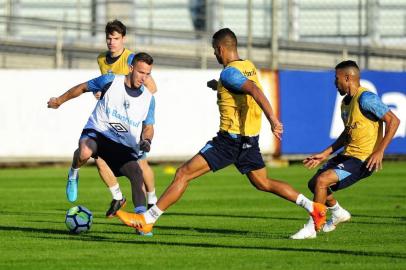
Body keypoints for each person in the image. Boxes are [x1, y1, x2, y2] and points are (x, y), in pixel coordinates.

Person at [116, 28, 327, 235]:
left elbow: (253, 90)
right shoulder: (247, 67)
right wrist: (218, 85)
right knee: (263, 182)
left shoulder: (229, 73)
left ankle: (147, 220)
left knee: (183, 173)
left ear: (220, 48)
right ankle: (314, 208)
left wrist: (273, 119)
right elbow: (245, 89)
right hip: (248, 140)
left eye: (215, 51)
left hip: (229, 141)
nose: (215, 55)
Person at [290, 60, 400, 239]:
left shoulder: (367, 98)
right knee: (314, 183)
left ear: (348, 78)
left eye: (337, 78)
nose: (335, 82)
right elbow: (347, 134)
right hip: (347, 155)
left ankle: (312, 227)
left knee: (322, 181)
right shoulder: (345, 103)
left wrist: (380, 151)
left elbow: (393, 121)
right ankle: (338, 212)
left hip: (363, 160)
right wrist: (325, 153)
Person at [48, 52, 156, 226]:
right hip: (99, 131)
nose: (144, 78)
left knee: (137, 175)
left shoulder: (149, 99)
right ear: (131, 68)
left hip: (123, 144)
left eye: (148, 74)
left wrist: (147, 140)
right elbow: (83, 87)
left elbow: (149, 127)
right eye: (141, 72)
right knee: (84, 152)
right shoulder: (110, 81)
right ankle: (74, 172)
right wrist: (59, 100)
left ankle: (142, 221)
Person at [66, 20, 158, 217]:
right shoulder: (102, 59)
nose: (111, 42)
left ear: (123, 39)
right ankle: (117, 196)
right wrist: (102, 93)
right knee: (95, 155)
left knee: (140, 165)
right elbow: (98, 85)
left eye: (115, 38)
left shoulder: (131, 58)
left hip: (130, 118)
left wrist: (136, 103)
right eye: (109, 38)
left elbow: (151, 88)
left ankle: (152, 201)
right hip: (109, 118)